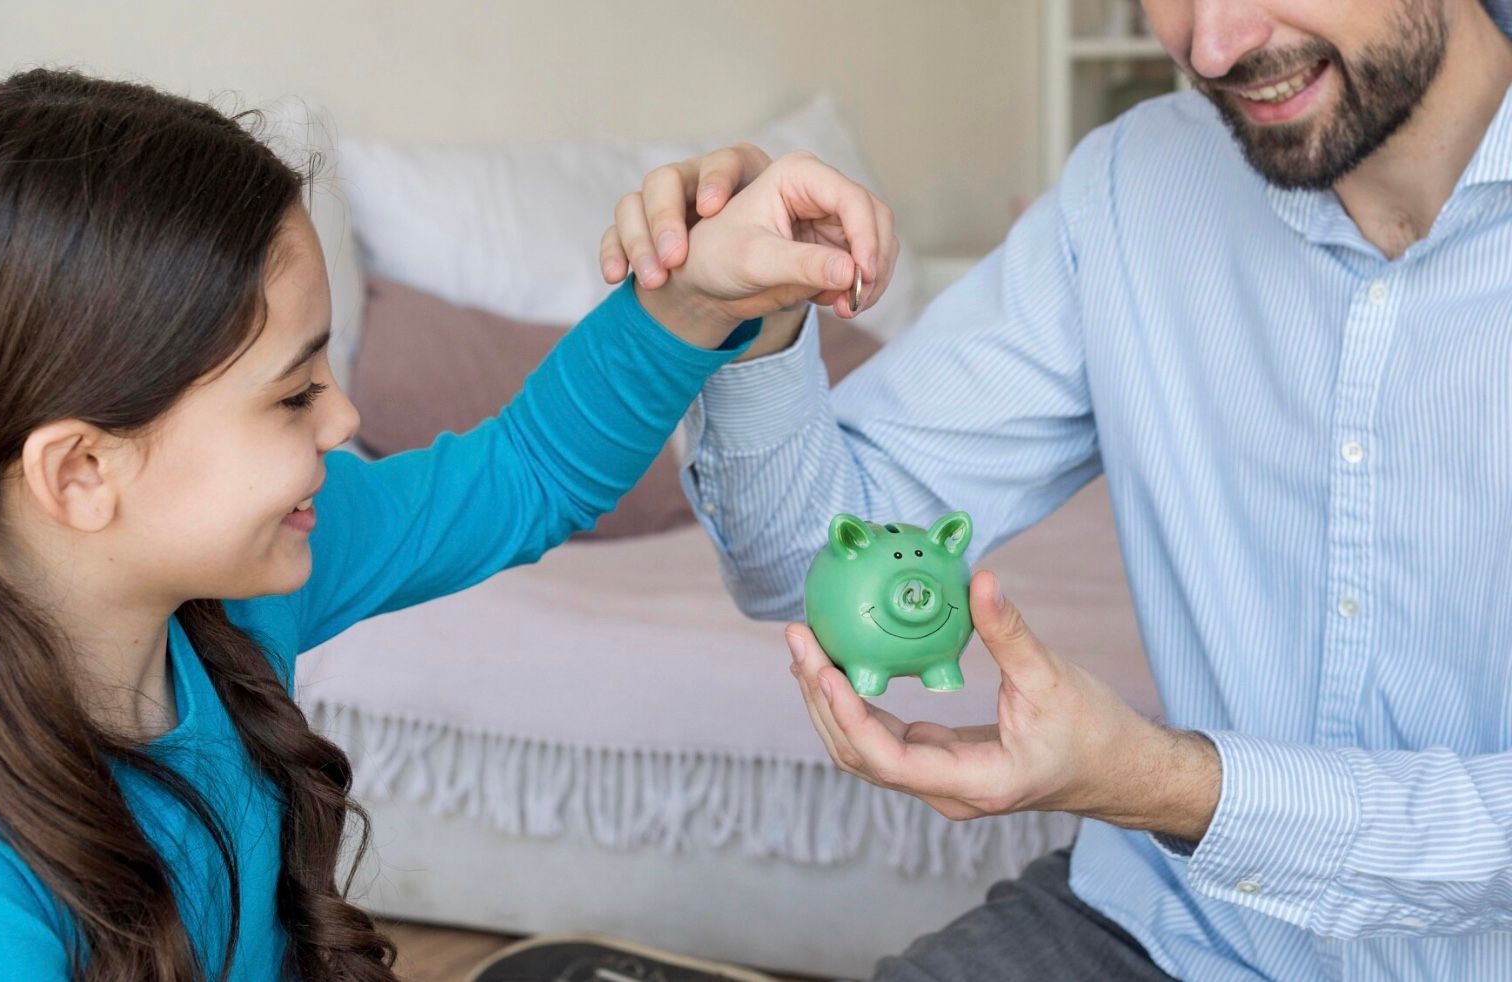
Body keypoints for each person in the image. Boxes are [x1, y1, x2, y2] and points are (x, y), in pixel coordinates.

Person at [0, 68, 894, 980]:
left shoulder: (223, 586)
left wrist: (699, 298)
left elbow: (524, 474)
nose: (344, 420)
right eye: (294, 394)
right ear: (81, 472)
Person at [606, 0, 1512, 978]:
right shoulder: (1132, 184)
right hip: (1174, 926)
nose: (1212, 46)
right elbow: (808, 566)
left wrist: (1165, 784)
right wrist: (756, 313)